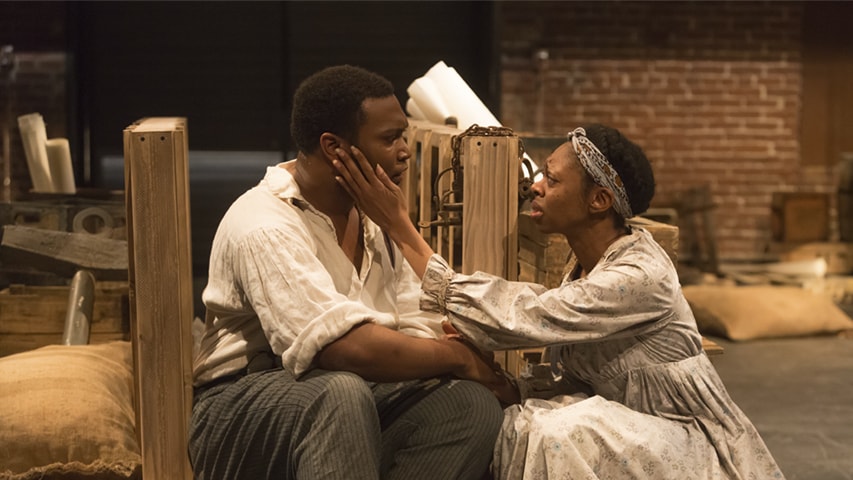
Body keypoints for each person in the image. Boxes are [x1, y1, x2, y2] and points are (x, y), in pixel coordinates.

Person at [332, 124, 785, 479]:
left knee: (554, 432)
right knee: (519, 420)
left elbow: (531, 314)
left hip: (686, 436)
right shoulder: (587, 262)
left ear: (598, 200)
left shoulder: (637, 276)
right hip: (628, 423)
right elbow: (571, 354)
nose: (536, 186)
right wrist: (510, 386)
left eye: (552, 178)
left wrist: (400, 227)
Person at [189, 65, 518, 480]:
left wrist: (438, 350)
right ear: (333, 147)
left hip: (350, 393)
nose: (404, 151)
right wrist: (457, 358)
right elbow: (338, 348)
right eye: (389, 138)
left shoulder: (371, 215)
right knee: (339, 392)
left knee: (470, 407)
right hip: (241, 404)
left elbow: (415, 320)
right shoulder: (264, 223)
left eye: (404, 135)